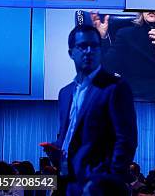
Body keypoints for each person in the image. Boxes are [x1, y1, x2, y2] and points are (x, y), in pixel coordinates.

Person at [47, 25, 137, 195]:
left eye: (94, 46)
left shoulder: (115, 87)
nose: (89, 51)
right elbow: (69, 136)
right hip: (69, 182)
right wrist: (57, 149)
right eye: (82, 46)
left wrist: (108, 181)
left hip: (98, 186)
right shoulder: (65, 93)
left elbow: (126, 140)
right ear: (71, 52)